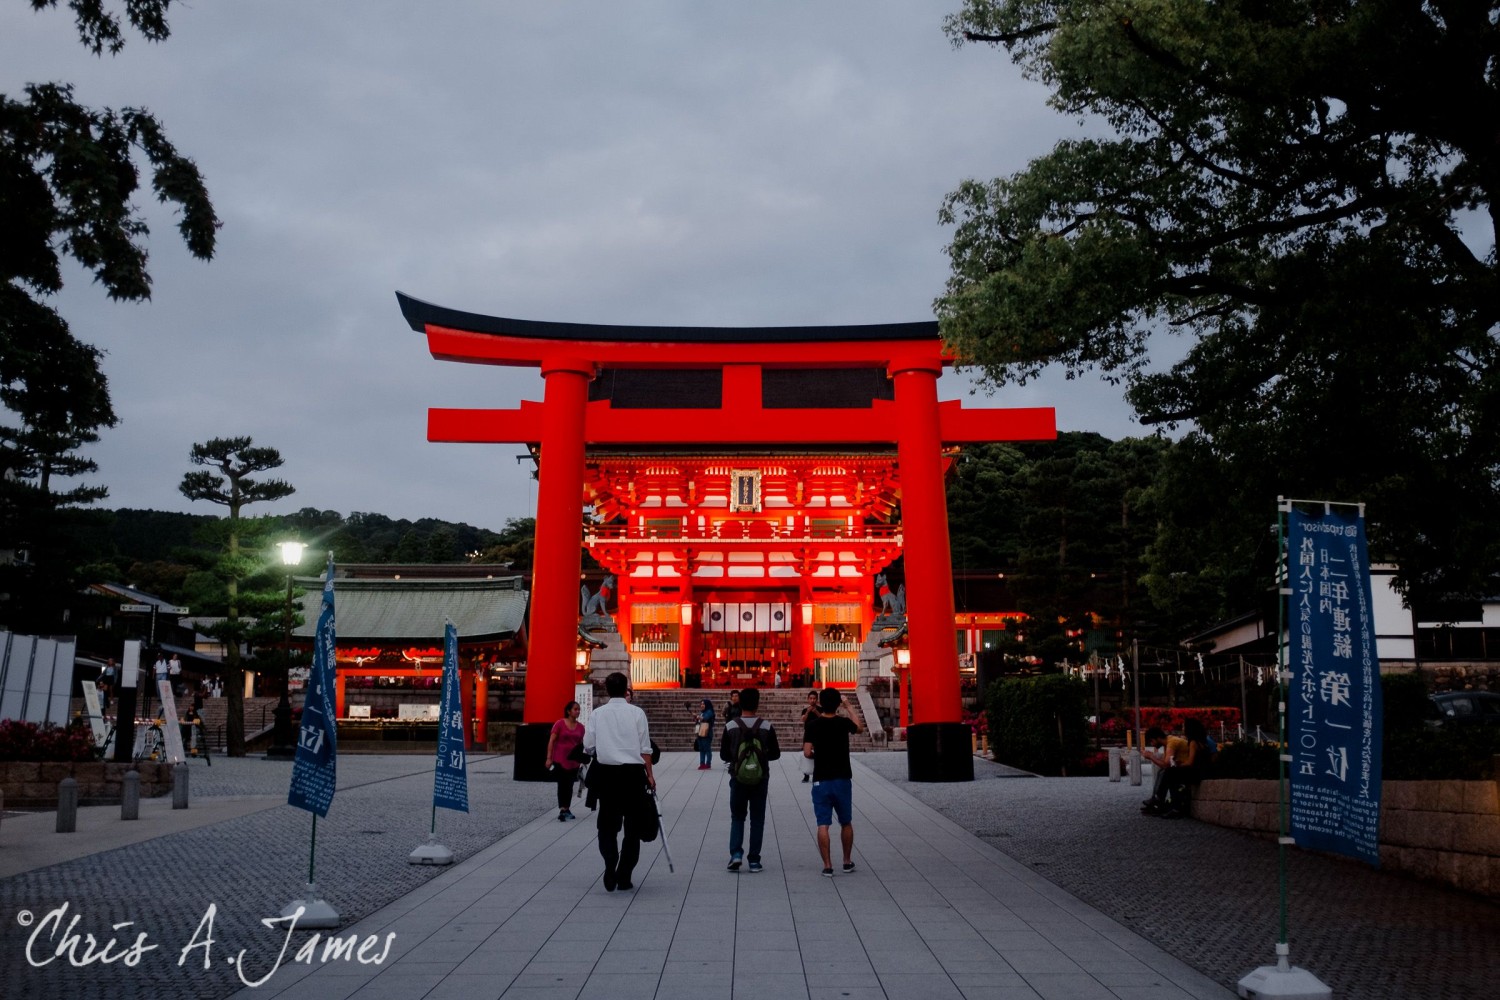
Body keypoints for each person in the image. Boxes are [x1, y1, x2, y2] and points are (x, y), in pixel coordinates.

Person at [582, 671, 656, 892]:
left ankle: (609, 864)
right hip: (633, 775)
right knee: (632, 829)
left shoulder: (598, 714)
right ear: (626, 689)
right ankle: (624, 874)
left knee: (607, 826)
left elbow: (588, 745)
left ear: (606, 689)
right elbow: (645, 749)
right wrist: (650, 776)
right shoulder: (637, 713)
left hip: (607, 775)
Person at [719, 686, 780, 873]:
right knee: (757, 819)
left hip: (738, 778)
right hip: (760, 778)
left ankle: (736, 854)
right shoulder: (766, 726)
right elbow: (775, 754)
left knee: (737, 817)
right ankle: (754, 860)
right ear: (757, 703)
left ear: (740, 702)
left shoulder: (730, 727)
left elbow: (723, 755)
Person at [802, 687, 861, 876]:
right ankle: (846, 860)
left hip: (821, 779)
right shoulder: (843, 723)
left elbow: (807, 752)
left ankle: (827, 865)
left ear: (820, 702)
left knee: (823, 824)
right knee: (846, 822)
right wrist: (849, 706)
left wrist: (817, 754)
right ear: (837, 704)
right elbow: (859, 727)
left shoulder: (813, 726)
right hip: (842, 777)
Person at [1159, 718, 1211, 817]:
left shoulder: (1193, 743)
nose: (1182, 728)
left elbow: (1190, 762)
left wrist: (1179, 764)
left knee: (1170, 772)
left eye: (1184, 726)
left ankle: (1173, 806)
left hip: (1196, 774)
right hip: (1201, 771)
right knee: (1170, 772)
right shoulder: (1201, 741)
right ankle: (1163, 800)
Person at [545, 700, 586, 822]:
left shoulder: (581, 727)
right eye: (575, 709)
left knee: (570, 785)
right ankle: (563, 808)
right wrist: (549, 758)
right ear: (568, 711)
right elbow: (552, 740)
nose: (577, 711)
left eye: (579, 709)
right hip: (560, 758)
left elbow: (580, 744)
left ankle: (566, 808)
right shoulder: (559, 724)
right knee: (562, 784)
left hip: (574, 761)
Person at [1139, 726, 1187, 814]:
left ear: (1157, 738)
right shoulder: (1168, 742)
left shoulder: (1172, 742)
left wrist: (1151, 757)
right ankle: (1156, 800)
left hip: (1187, 769)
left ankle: (1157, 800)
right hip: (1181, 769)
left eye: (1151, 741)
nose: (1152, 744)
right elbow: (1166, 764)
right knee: (1162, 771)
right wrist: (1152, 756)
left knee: (1166, 771)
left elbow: (1166, 765)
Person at [798, 691, 819, 782]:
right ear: (808, 699)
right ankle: (806, 775)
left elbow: (823, 718)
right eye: (810, 698)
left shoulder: (820, 709)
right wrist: (807, 712)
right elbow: (803, 719)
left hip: (818, 734)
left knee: (818, 753)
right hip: (808, 734)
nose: (812, 700)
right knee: (806, 754)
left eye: (814, 698)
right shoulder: (805, 710)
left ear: (817, 700)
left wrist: (816, 712)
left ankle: (817, 774)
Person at [692, 698, 715, 769]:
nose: (702, 705)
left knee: (707, 748)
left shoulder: (710, 712)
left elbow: (704, 718)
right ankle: (702, 763)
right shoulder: (702, 712)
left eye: (703, 704)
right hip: (700, 732)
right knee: (701, 748)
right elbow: (699, 720)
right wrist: (696, 718)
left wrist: (698, 716)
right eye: (701, 704)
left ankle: (708, 763)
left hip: (707, 732)